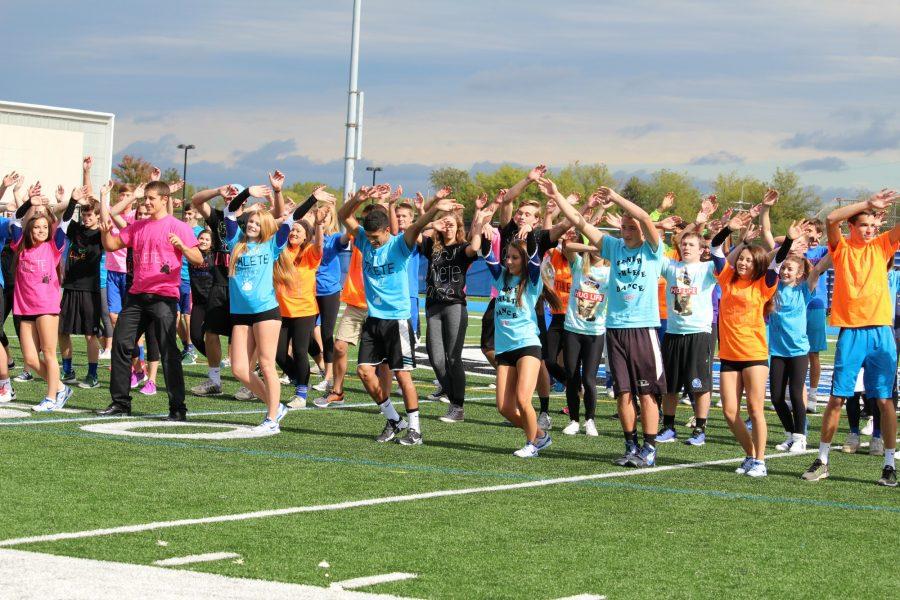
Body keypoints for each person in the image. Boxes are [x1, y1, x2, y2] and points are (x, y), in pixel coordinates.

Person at [540, 179, 665, 468]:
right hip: (615, 330)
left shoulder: (651, 251)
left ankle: (650, 447)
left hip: (643, 329)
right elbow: (580, 223)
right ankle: (631, 444)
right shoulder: (613, 247)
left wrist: (617, 198)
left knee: (646, 392)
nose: (628, 230)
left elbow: (645, 217)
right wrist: (557, 195)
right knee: (623, 392)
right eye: (624, 226)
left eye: (632, 227)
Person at [338, 186, 458, 445]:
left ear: (386, 230)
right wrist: (358, 200)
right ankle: (394, 420)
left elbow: (417, 226)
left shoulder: (399, 245)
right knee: (363, 372)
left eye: (375, 237)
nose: (371, 241)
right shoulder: (363, 240)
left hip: (398, 320)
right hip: (374, 320)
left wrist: (436, 204)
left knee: (402, 375)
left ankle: (415, 429)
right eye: (368, 236)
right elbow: (343, 216)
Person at [802, 190, 900, 487]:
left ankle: (889, 465)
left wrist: (874, 212)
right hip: (852, 333)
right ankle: (822, 460)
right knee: (837, 399)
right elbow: (830, 218)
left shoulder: (883, 246)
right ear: (852, 228)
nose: (870, 230)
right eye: (864, 225)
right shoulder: (841, 249)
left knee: (885, 401)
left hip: (882, 333)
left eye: (873, 225)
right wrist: (869, 204)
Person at [97, 180, 201, 419]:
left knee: (168, 351)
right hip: (136, 296)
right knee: (121, 345)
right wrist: (104, 231)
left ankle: (178, 408)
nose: (147, 202)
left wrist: (183, 246)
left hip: (164, 298)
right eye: (145, 199)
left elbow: (197, 257)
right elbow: (112, 245)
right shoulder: (137, 226)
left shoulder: (178, 226)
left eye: (151, 198)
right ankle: (121, 403)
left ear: (164, 199)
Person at [711, 213, 797, 477]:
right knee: (728, 411)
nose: (743, 263)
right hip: (728, 355)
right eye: (741, 259)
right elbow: (715, 248)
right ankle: (750, 453)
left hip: (754, 355)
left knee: (755, 409)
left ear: (757, 263)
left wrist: (789, 241)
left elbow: (778, 262)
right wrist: (728, 229)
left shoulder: (764, 284)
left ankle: (760, 460)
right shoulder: (726, 278)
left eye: (749, 260)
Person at [224, 183, 297, 433]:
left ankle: (271, 420)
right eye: (251, 221)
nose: (252, 225)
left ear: (266, 226)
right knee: (239, 369)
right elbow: (230, 212)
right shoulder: (235, 240)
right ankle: (275, 407)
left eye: (257, 222)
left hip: (266, 311)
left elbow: (289, 218)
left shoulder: (272, 245)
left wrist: (279, 192)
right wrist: (246, 194)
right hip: (240, 313)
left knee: (266, 365)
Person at [12, 184, 80, 412]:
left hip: (47, 308)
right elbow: (15, 219)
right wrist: (29, 204)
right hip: (24, 309)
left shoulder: (54, 246)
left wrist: (71, 202)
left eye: (44, 227)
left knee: (50, 354)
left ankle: (51, 398)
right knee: (30, 360)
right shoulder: (20, 246)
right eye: (37, 227)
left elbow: (66, 222)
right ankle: (60, 387)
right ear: (30, 229)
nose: (41, 230)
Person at [484, 232, 552, 456]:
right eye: (508, 257)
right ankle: (540, 436)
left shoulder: (532, 281)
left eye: (515, 257)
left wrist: (531, 234)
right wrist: (483, 229)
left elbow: (534, 258)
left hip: (527, 345)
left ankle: (531, 445)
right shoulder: (502, 277)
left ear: (523, 260)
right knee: (504, 407)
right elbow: (487, 255)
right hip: (505, 349)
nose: (509, 261)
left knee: (523, 399)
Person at [422, 204, 487, 423]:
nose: (448, 228)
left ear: (458, 227)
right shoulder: (432, 246)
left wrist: (477, 224)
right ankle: (453, 402)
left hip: (454, 307)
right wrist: (432, 220)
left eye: (452, 224)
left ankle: (457, 406)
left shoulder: (462, 248)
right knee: (437, 359)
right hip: (433, 306)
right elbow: (415, 231)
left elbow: (475, 246)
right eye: (445, 224)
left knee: (452, 357)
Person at [656, 225, 719, 447]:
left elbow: (724, 260)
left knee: (699, 385)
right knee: (670, 385)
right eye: (684, 244)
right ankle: (669, 427)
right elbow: (654, 248)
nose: (686, 247)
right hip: (673, 333)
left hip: (698, 333)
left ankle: (700, 428)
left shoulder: (707, 268)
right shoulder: (670, 266)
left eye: (691, 244)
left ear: (702, 249)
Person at [769, 254, 830, 453]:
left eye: (790, 269)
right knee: (777, 397)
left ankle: (800, 437)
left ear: (799, 274)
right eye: (784, 267)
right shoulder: (773, 287)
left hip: (798, 351)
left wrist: (836, 247)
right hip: (778, 351)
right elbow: (770, 261)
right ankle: (789, 435)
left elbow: (820, 268)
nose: (785, 271)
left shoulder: (804, 290)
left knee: (796, 394)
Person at [275, 212, 326, 409]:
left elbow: (320, 246)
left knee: (300, 351)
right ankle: (299, 378)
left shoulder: (310, 252)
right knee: (278, 354)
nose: (294, 232)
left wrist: (319, 225)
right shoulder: (281, 250)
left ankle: (301, 393)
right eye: (292, 229)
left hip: (304, 310)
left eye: (298, 230)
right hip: (281, 310)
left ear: (306, 236)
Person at [558, 241, 609, 437]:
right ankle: (573, 420)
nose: (597, 250)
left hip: (595, 332)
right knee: (571, 375)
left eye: (602, 247)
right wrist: (593, 247)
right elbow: (567, 246)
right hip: (572, 329)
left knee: (589, 379)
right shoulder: (579, 265)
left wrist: (605, 250)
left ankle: (590, 420)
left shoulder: (609, 273)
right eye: (594, 245)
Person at [58, 197, 104, 390]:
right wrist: (72, 200)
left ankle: (93, 375)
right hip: (69, 287)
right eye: (84, 215)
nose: (86, 218)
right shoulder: (75, 229)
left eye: (90, 215)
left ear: (98, 216)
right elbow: (66, 217)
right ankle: (68, 371)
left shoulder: (101, 234)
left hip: (89, 289)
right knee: (62, 331)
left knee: (89, 334)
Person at [310, 202, 348, 394]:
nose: (322, 219)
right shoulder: (308, 237)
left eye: (326, 215)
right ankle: (321, 366)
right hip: (308, 291)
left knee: (326, 334)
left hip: (329, 292)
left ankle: (328, 377)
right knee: (307, 333)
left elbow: (346, 237)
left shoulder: (334, 238)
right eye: (320, 215)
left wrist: (349, 210)